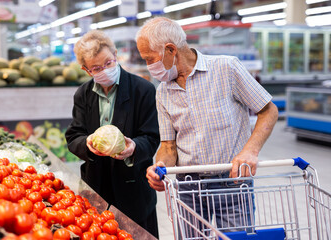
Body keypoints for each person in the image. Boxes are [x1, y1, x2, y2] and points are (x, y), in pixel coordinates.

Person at [136, 17, 278, 232]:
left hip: (232, 182)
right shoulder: (163, 91)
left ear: (170, 50)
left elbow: (268, 110)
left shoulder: (226, 68)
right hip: (188, 186)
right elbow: (168, 146)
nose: (148, 66)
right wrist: (160, 168)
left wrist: (250, 151)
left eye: (149, 59)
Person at [65, 30, 160, 238]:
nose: (105, 70)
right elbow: (73, 136)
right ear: (86, 70)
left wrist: (133, 147)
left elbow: (152, 137)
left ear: (115, 55)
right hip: (96, 188)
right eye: (97, 68)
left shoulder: (143, 90)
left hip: (134, 191)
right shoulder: (83, 94)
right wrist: (87, 143)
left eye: (108, 63)